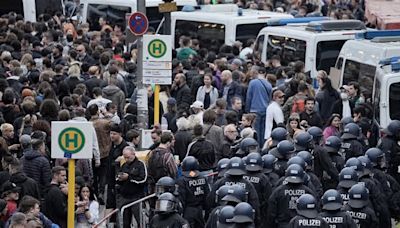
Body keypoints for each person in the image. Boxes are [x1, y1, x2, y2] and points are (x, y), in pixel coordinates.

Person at [115, 146, 147, 228]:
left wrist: (129, 177)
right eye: (124, 157)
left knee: (141, 221)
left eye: (128, 157)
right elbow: (118, 179)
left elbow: (143, 179)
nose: (126, 159)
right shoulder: (124, 165)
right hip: (124, 197)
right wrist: (119, 179)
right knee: (125, 223)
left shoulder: (140, 164)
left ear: (133, 154)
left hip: (137, 197)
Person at [176, 156, 210, 228]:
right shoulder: (203, 178)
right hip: (200, 211)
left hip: (188, 211)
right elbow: (207, 196)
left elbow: (181, 198)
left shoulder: (182, 180)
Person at [246, 66, 272, 146]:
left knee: (255, 131)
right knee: (263, 131)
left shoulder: (252, 83)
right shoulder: (268, 84)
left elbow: (249, 97)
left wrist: (247, 111)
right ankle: (263, 147)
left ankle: (256, 148)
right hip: (265, 110)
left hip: (254, 110)